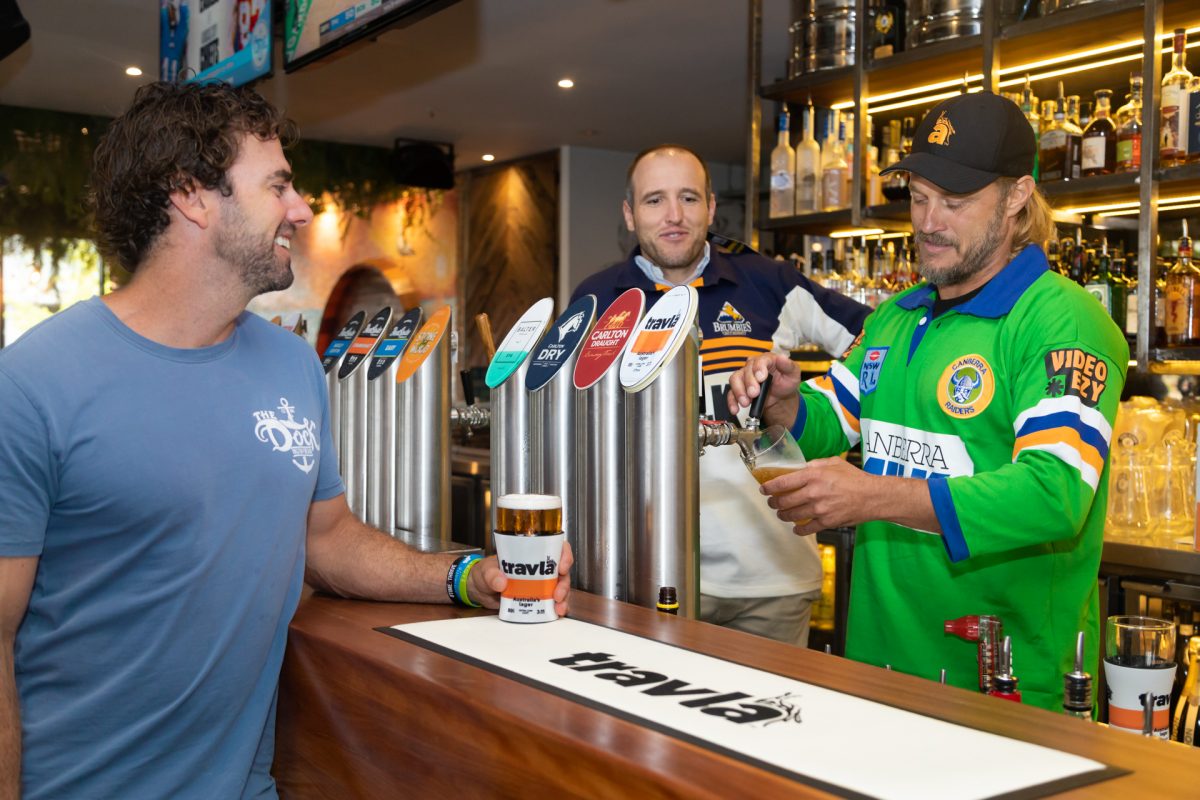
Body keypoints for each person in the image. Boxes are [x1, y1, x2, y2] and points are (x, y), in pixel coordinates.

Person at [0, 81, 572, 800]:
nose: (301, 210)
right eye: (278, 186)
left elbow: (327, 540)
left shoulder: (290, 365)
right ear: (192, 197)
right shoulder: (33, 382)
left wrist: (462, 576)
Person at [727, 92, 1127, 710]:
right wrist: (782, 403)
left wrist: (871, 496)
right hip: (877, 669)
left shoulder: (1062, 321)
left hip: (1007, 683)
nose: (928, 221)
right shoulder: (895, 316)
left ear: (1018, 196)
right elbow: (834, 415)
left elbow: (1055, 495)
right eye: (918, 197)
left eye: (956, 202)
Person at [572, 145, 869, 646]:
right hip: (645, 575)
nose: (674, 215)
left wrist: (817, 404)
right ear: (629, 213)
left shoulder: (769, 281)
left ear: (711, 207)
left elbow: (884, 340)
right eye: (654, 201)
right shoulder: (597, 301)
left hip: (771, 580)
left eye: (688, 198)